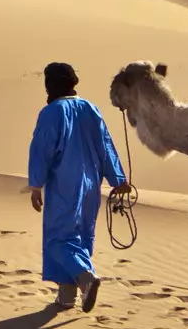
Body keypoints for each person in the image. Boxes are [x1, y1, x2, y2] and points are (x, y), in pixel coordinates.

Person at [26, 61, 131, 310]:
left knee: (58, 240)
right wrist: (118, 178)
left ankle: (86, 278)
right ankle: (66, 297)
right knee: (80, 238)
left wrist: (35, 185)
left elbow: (42, 149)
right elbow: (105, 144)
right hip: (91, 185)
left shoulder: (52, 112)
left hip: (65, 184)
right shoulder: (90, 109)